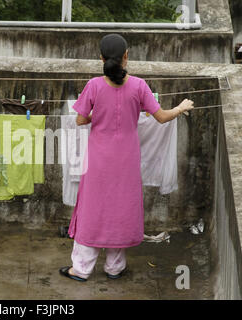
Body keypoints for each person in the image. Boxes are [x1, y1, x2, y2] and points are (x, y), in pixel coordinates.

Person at [59, 34, 194, 282]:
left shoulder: (94, 86)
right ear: (126, 56)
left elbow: (79, 119)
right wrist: (181, 107)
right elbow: (162, 117)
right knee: (120, 208)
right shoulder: (140, 86)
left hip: (98, 160)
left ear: (100, 58)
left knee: (93, 209)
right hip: (127, 161)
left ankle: (81, 268)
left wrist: (96, 116)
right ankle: (115, 267)